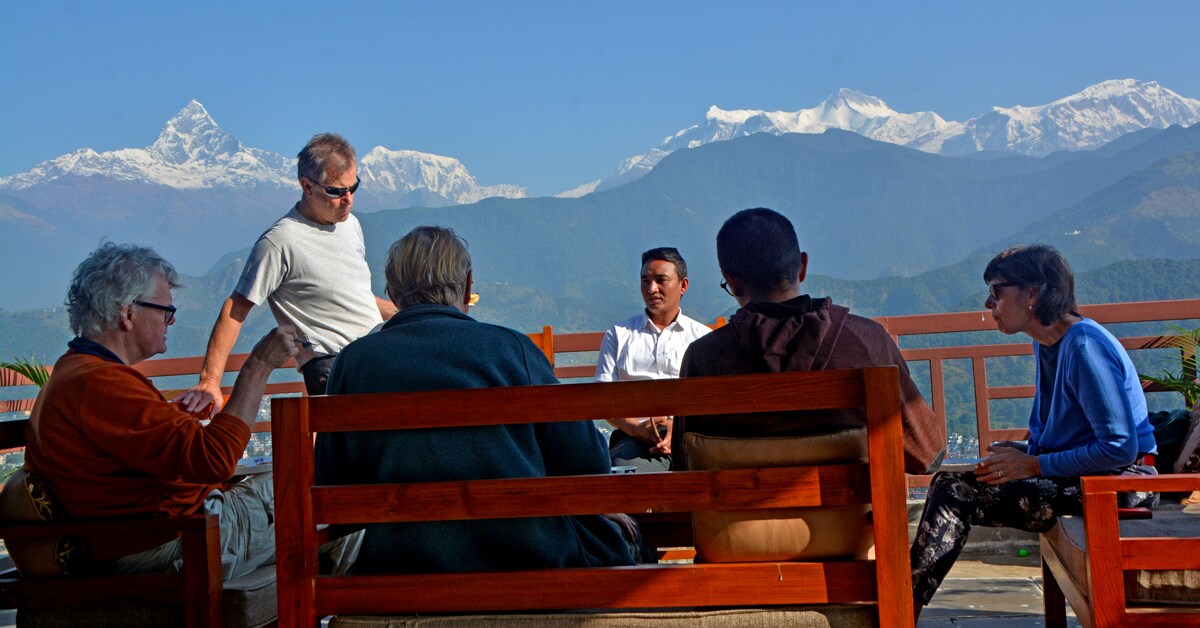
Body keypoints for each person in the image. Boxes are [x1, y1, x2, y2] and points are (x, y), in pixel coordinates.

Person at [315, 226, 638, 573]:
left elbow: (332, 482)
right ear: (468, 286)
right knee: (625, 539)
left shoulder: (354, 362)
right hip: (526, 560)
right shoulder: (512, 350)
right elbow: (586, 461)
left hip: (399, 567)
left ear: (391, 290)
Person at [24, 243, 300, 580]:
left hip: (147, 536)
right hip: (170, 541)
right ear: (127, 314)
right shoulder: (101, 384)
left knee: (318, 489)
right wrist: (258, 365)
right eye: (164, 311)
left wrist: (177, 418)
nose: (171, 320)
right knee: (324, 496)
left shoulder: (78, 372)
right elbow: (214, 459)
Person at [909, 244, 1158, 617]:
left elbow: (1120, 447)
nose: (988, 303)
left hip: (1121, 485)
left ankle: (899, 608)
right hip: (1090, 478)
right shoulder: (1051, 345)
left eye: (996, 291)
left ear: (1032, 293)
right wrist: (1026, 451)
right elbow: (1069, 434)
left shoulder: (1085, 347)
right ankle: (900, 605)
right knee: (955, 480)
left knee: (954, 489)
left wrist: (1035, 466)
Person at [670, 207, 946, 474]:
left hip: (732, 521)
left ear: (733, 282)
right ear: (802, 267)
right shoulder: (867, 341)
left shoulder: (703, 358)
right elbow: (926, 454)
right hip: (854, 522)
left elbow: (685, 466)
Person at [178, 133, 397, 412]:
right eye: (336, 191)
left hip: (373, 358)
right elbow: (236, 309)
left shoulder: (350, 225)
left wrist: (416, 313)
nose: (348, 200)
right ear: (307, 186)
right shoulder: (280, 241)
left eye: (354, 187)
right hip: (332, 368)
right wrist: (209, 380)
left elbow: (351, 296)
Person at [594, 247, 712, 472]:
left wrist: (677, 427)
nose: (651, 289)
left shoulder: (702, 338)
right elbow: (603, 402)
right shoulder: (619, 334)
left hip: (691, 437)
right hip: (633, 438)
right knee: (622, 473)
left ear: (683, 285)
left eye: (661, 280)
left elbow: (711, 400)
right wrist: (640, 431)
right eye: (645, 281)